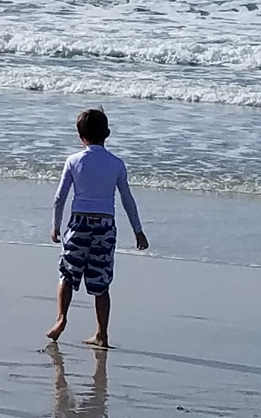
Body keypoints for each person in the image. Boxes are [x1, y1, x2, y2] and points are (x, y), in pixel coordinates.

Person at [47, 107, 149, 347]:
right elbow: (127, 199)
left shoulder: (73, 161)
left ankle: (61, 318)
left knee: (67, 274)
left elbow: (59, 198)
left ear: (80, 136)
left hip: (79, 223)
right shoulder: (116, 164)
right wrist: (138, 230)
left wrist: (56, 225)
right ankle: (102, 333)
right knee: (101, 282)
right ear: (108, 133)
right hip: (105, 225)